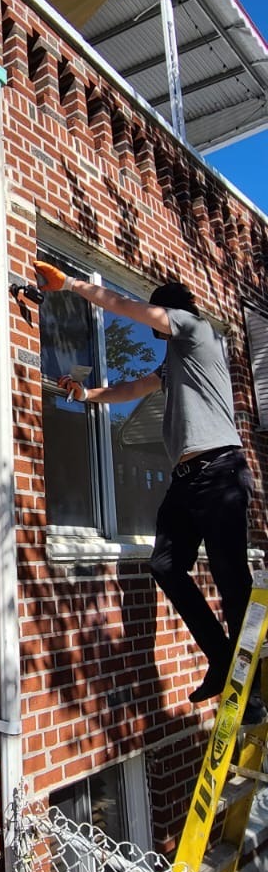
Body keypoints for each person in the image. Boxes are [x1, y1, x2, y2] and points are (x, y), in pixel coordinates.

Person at [34, 261, 263, 721]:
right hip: (187, 479)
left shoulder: (196, 329)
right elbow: (134, 387)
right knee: (165, 565)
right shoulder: (176, 363)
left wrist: (73, 285)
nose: (157, 332)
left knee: (229, 576)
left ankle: (256, 689)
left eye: (161, 320)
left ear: (170, 312)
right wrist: (85, 396)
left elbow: (133, 310)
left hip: (220, 470)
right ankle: (221, 659)